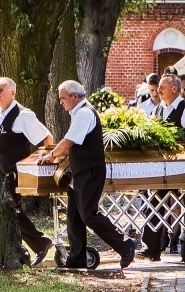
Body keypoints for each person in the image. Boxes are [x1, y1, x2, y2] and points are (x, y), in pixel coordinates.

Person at [36, 80, 136, 269]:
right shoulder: (80, 113)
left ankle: (124, 244)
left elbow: (68, 142)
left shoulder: (84, 113)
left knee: (88, 214)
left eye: (63, 98)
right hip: (81, 171)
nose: (61, 102)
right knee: (74, 215)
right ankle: (77, 257)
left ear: (75, 96)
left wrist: (50, 156)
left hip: (90, 170)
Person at [138, 74, 185, 261]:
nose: (158, 90)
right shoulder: (157, 110)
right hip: (161, 169)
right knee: (154, 203)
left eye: (162, 86)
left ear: (175, 89)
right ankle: (152, 247)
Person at [0, 77, 55, 267]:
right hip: (2, 172)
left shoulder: (23, 115)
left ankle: (39, 243)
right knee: (9, 209)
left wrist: (45, 162)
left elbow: (47, 137)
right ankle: (34, 243)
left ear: (13, 93)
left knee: (9, 207)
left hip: (17, 172)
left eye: (2, 91)